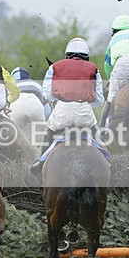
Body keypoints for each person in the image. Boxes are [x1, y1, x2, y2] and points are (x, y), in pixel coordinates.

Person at [30, 37, 105, 173]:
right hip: (84, 112)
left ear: (67, 55)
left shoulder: (55, 67)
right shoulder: (93, 68)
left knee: (49, 130)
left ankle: (41, 161)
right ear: (86, 57)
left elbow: (47, 94)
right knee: (95, 131)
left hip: (62, 111)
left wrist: (62, 98)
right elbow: (99, 100)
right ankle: (107, 160)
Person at [9, 66, 47, 131]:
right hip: (34, 104)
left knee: (14, 136)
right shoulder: (35, 84)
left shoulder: (10, 86)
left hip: (16, 105)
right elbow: (46, 102)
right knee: (41, 135)